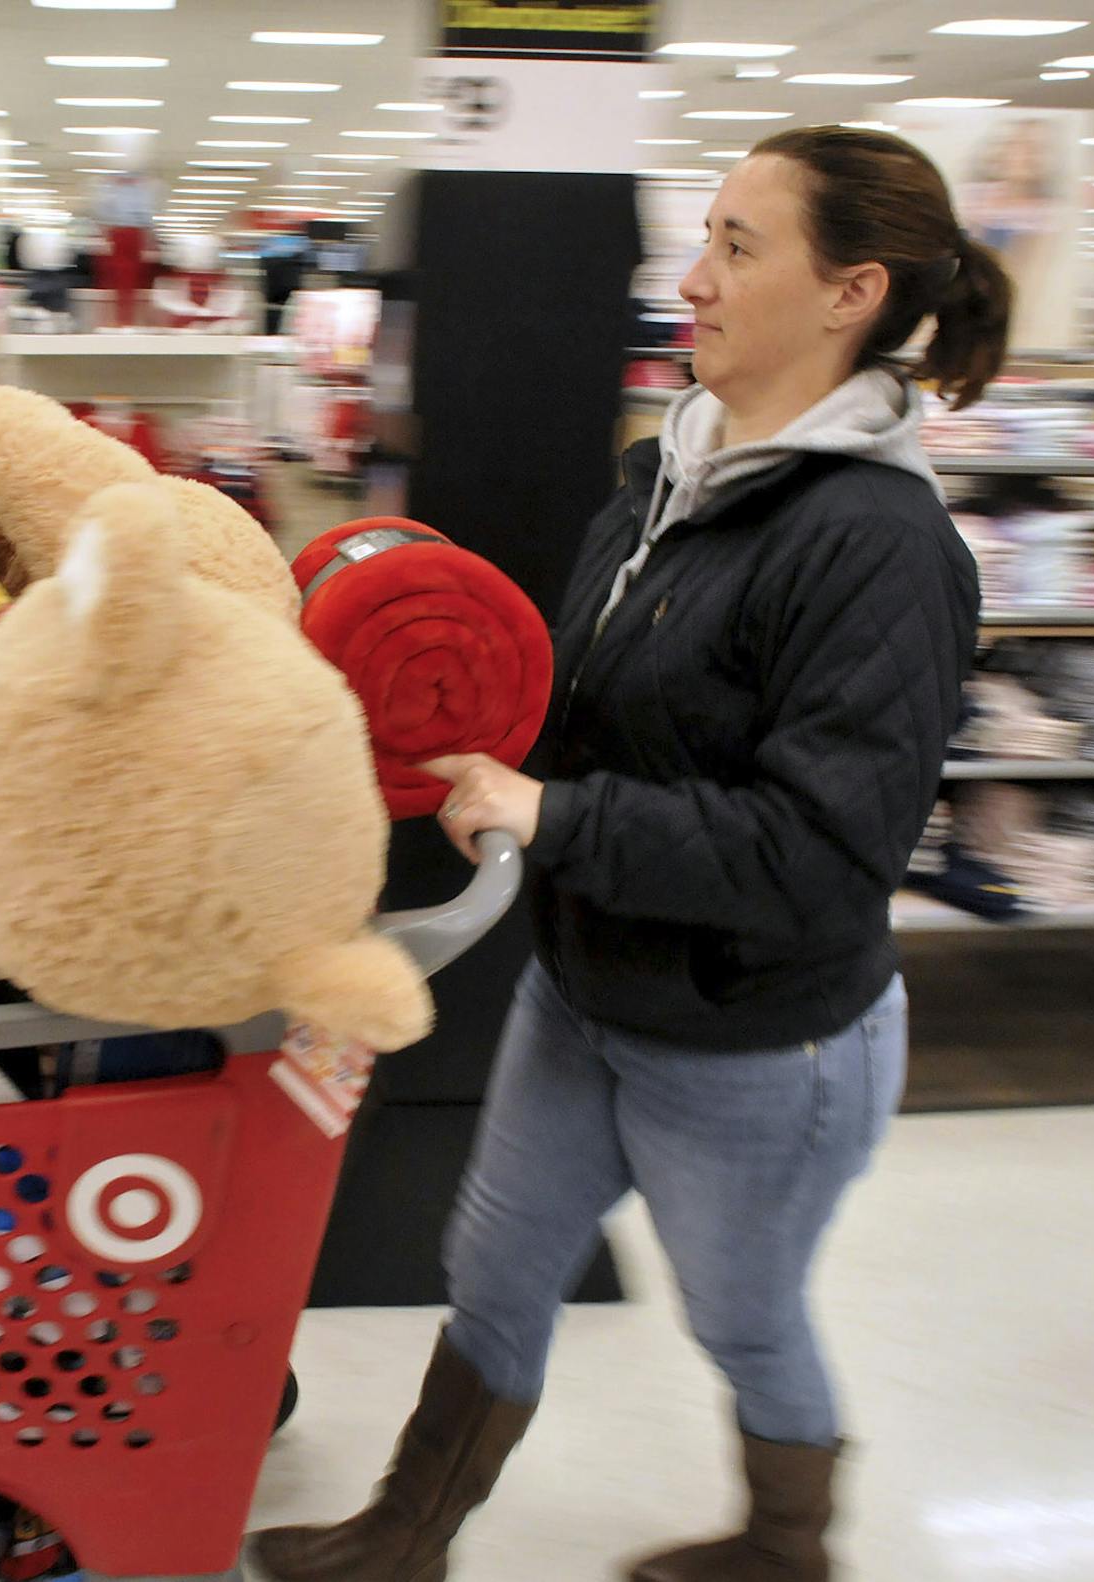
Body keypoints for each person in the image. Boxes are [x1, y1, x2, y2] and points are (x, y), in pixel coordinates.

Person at [250, 125, 1009, 1582]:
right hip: (587, 981)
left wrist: (554, 817)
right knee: (494, 1264)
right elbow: (584, 705)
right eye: (703, 236)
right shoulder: (669, 473)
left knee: (744, 1316)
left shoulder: (883, 546)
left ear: (850, 290)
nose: (693, 277)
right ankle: (407, 1532)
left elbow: (823, 853)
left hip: (758, 1039)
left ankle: (789, 1545)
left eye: (738, 245)